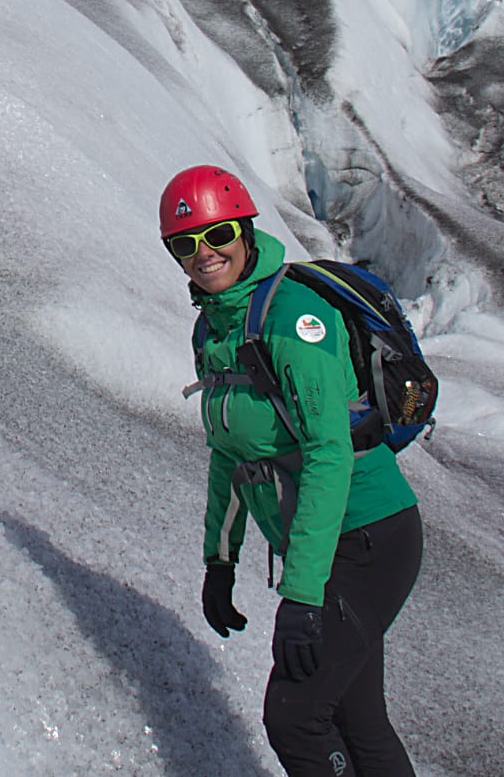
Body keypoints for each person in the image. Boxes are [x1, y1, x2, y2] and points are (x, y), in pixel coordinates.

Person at [162, 164, 423, 777]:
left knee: (295, 717)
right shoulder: (215, 328)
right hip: (328, 543)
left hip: (368, 537)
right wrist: (219, 562)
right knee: (356, 719)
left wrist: (302, 597)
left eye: (218, 234)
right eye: (186, 243)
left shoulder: (295, 320)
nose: (205, 254)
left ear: (246, 231)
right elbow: (231, 453)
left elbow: (330, 455)